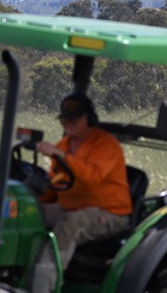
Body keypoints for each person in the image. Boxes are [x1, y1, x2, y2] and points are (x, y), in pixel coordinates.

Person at [33, 92, 132, 271]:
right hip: (69, 206)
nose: (68, 123)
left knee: (71, 223)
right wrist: (35, 197)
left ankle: (43, 283)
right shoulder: (63, 144)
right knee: (29, 214)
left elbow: (92, 177)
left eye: (74, 119)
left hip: (110, 213)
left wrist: (62, 156)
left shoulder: (106, 144)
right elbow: (59, 182)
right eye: (65, 119)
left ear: (88, 118)